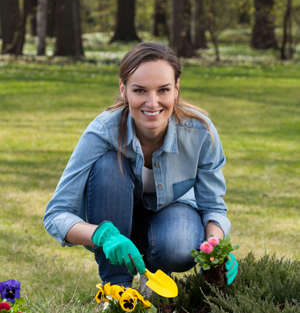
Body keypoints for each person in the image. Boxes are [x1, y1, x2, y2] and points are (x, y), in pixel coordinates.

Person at [43, 42, 238, 290]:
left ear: (176, 90)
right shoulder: (103, 132)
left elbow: (212, 206)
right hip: (116, 222)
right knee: (109, 167)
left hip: (174, 217)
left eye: (163, 90)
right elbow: (56, 214)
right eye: (140, 90)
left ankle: (155, 280)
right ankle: (117, 286)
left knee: (180, 245)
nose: (152, 103)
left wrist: (215, 248)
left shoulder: (200, 133)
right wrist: (102, 235)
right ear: (124, 90)